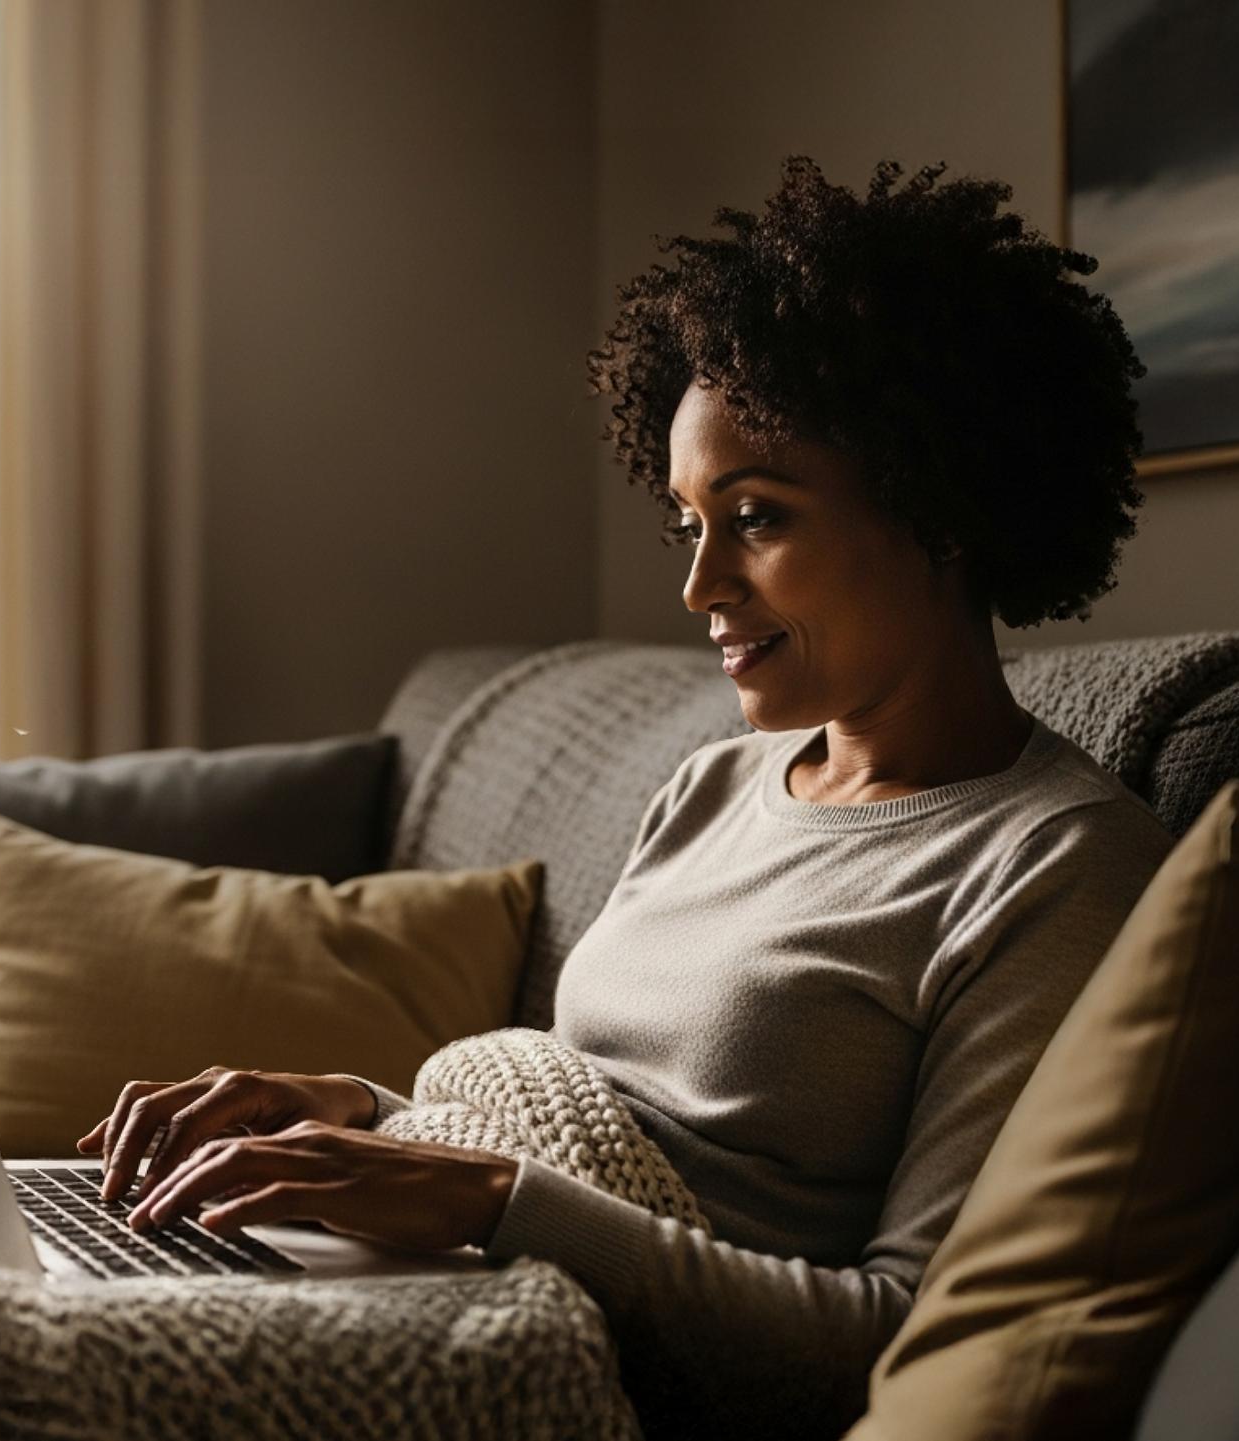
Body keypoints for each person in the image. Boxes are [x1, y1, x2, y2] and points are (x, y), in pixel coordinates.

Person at [73, 158, 1174, 1439]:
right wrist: (360, 1122)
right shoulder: (715, 786)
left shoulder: (1056, 868)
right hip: (434, 1283)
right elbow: (586, 1122)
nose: (701, 586)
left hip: (551, 1365)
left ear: (944, 509)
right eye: (688, 523)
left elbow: (894, 1342)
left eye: (754, 517)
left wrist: (477, 1197)